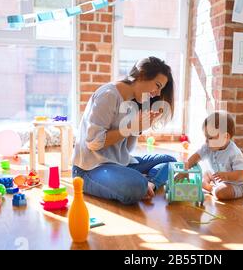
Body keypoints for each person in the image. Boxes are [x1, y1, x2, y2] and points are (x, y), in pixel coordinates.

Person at [72, 57, 177, 205]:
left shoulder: (133, 102)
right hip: (90, 169)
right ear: (142, 75)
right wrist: (130, 128)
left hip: (119, 163)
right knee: (135, 186)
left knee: (171, 161)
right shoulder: (108, 95)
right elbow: (93, 142)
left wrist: (138, 128)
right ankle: (139, 183)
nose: (158, 94)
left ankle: (150, 185)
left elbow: (126, 149)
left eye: (161, 89)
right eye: (157, 85)